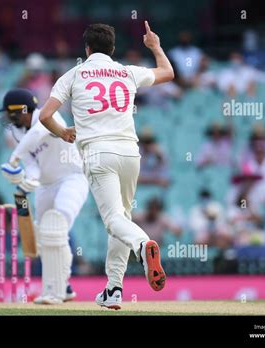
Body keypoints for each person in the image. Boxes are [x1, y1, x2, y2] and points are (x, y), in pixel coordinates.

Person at [39, 22, 174, 309]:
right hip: (130, 154)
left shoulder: (73, 75)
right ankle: (114, 289)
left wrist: (63, 132)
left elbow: (44, 116)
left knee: (114, 220)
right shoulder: (126, 72)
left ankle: (142, 244)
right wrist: (155, 47)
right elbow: (168, 73)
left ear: (86, 49)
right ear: (112, 49)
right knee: (120, 218)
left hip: (99, 153)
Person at [0, 88, 88, 304]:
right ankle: (60, 287)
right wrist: (28, 180)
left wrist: (14, 157)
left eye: (13, 114)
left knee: (56, 226)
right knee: (44, 235)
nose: (10, 119)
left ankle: (56, 290)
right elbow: (32, 165)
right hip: (46, 186)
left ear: (23, 110)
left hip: (72, 178)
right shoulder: (17, 132)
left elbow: (38, 133)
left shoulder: (48, 115)